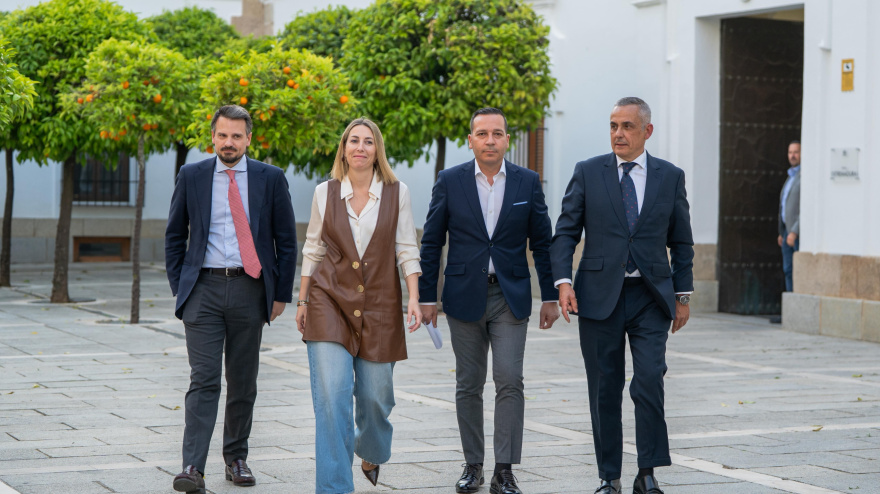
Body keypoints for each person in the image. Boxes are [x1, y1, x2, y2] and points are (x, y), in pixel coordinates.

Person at [550, 97, 694, 494]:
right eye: (613, 126)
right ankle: (608, 476)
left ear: (647, 131)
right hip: (598, 297)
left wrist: (682, 295)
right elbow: (565, 232)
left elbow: (682, 240)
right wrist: (563, 282)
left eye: (627, 126)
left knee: (649, 381)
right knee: (604, 388)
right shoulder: (588, 172)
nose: (618, 133)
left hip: (651, 297)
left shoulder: (670, 176)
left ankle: (647, 473)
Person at [420, 107, 559, 494]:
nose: (490, 140)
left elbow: (542, 243)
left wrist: (550, 295)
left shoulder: (527, 182)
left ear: (507, 140)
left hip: (509, 295)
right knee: (468, 383)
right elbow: (432, 242)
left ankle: (504, 470)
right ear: (471, 140)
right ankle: (473, 465)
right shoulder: (450, 181)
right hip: (463, 295)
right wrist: (427, 296)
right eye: (482, 134)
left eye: (497, 133)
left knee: (510, 379)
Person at [165, 105, 297, 494]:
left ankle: (236, 458)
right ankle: (192, 466)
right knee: (203, 379)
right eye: (222, 135)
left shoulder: (270, 178)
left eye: (236, 136)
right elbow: (174, 235)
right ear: (212, 137)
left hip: (250, 288)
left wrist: (280, 294)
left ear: (249, 139)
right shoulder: (191, 175)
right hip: (202, 291)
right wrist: (180, 288)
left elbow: (286, 240)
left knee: (242, 380)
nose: (229, 142)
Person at [295, 117, 422, 494]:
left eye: (368, 141)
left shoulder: (397, 192)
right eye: (354, 141)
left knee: (376, 397)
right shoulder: (325, 192)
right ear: (343, 149)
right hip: (328, 300)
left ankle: (371, 450)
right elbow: (314, 247)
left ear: (377, 150)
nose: (360, 147)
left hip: (380, 304)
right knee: (332, 398)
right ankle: (335, 487)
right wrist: (303, 299)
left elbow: (406, 248)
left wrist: (414, 298)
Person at [778, 141, 801, 293]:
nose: (792, 155)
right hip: (787, 231)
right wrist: (782, 232)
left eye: (796, 152)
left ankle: (796, 301)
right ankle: (790, 302)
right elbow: (783, 205)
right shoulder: (790, 176)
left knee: (797, 271)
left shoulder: (804, 176)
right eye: (790, 152)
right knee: (787, 269)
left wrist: (794, 231)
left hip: (796, 233)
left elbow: (805, 207)